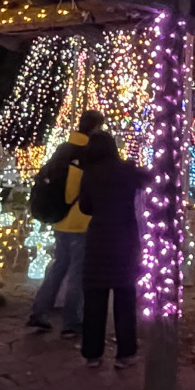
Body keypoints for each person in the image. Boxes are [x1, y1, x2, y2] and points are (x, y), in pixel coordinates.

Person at [28, 110, 105, 338]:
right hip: (79, 221)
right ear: (95, 128)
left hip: (59, 219)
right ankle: (72, 321)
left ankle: (39, 313)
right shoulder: (86, 153)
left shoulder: (63, 149)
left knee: (58, 267)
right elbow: (75, 188)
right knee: (77, 273)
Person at [76, 130, 149, 367]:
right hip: (124, 238)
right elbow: (149, 180)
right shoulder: (127, 170)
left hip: (98, 239)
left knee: (94, 300)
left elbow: (85, 207)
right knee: (125, 297)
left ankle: (92, 354)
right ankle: (126, 353)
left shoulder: (89, 174)